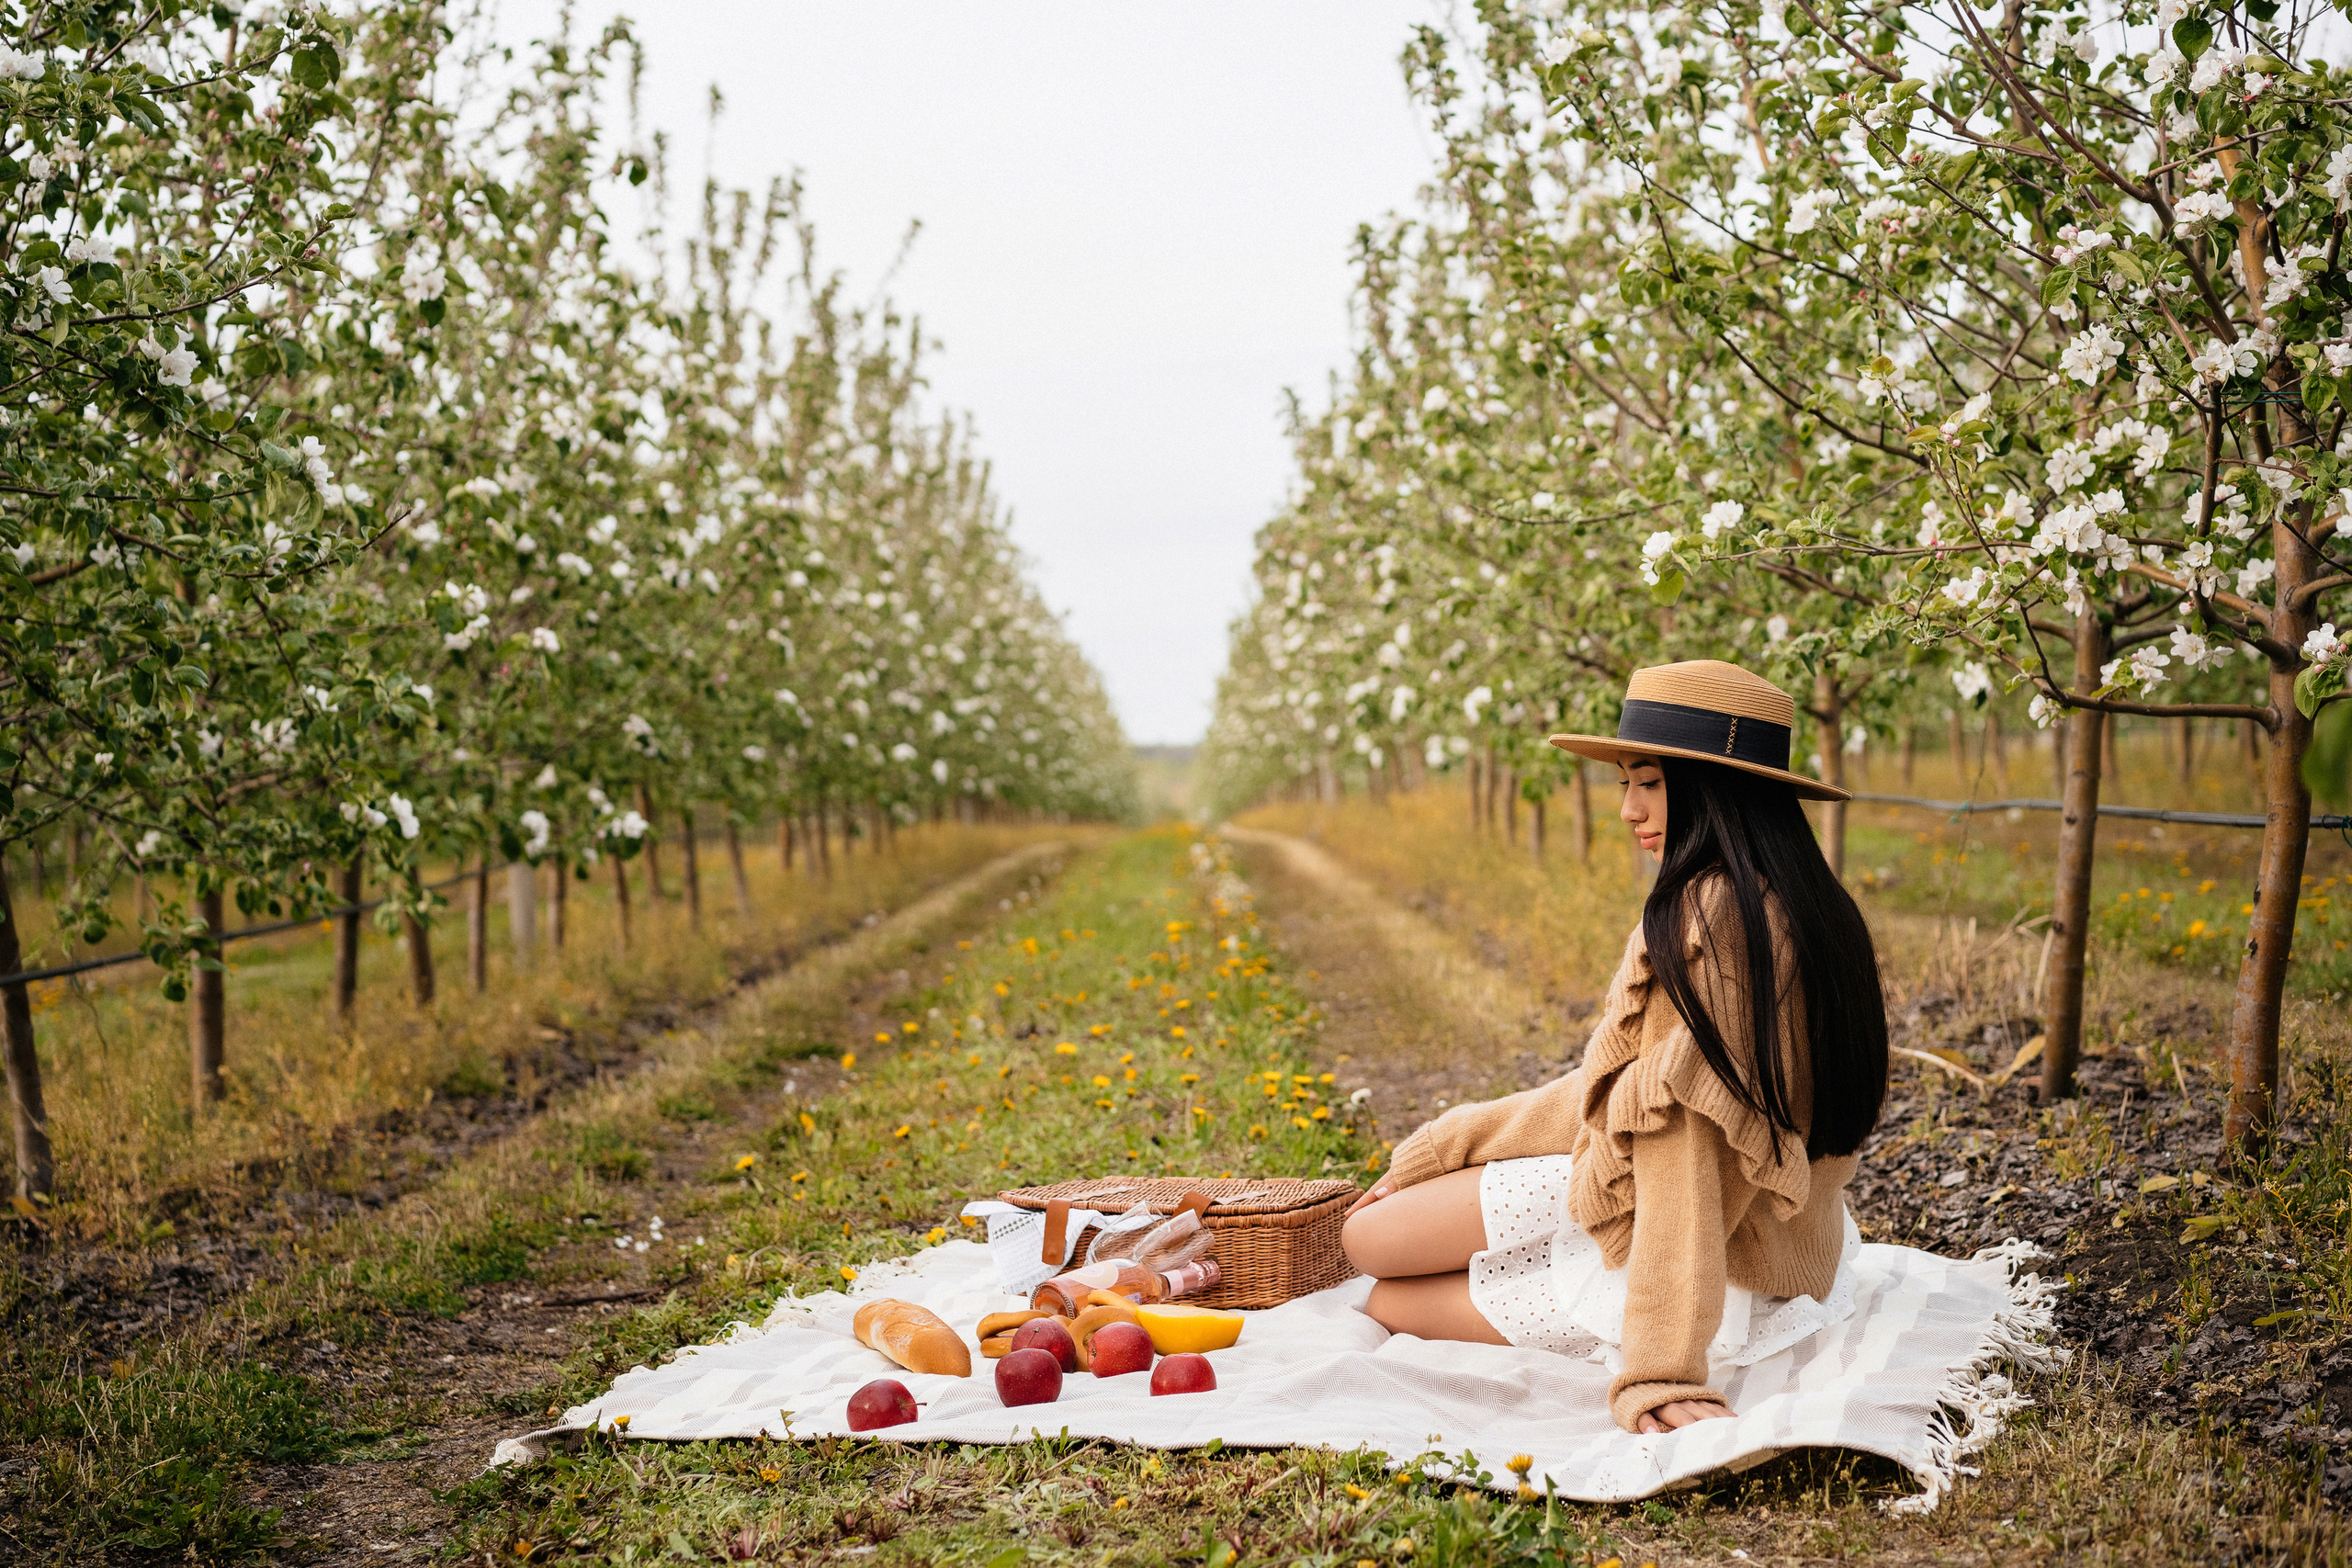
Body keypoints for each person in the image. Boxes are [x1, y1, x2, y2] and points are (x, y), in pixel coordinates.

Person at [1340, 660, 1890, 1436]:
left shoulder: (1709, 925)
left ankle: (1603, 1299)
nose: (1628, 808)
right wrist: (1446, 1144)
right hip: (1785, 1238)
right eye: (1625, 783)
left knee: (1378, 1273)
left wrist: (1661, 1367)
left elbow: (1682, 1141)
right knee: (1379, 1237)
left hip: (1713, 1256)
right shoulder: (1806, 898)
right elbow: (1619, 1086)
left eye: (1649, 782)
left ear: (1713, 786)